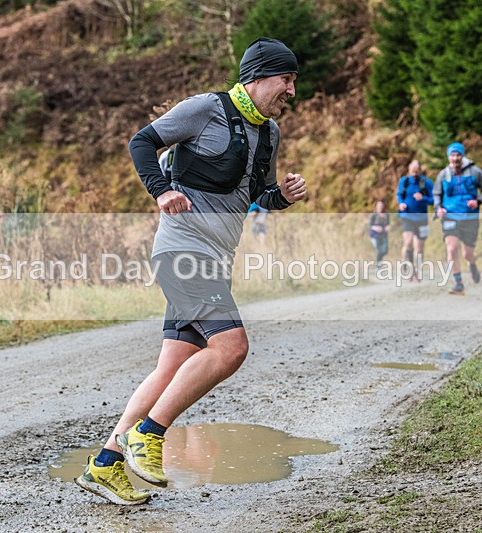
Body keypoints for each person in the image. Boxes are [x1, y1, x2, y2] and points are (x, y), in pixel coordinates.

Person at [75, 37, 307, 505]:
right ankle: (149, 433)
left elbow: (251, 194)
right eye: (286, 80)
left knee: (171, 369)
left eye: (293, 82)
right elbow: (141, 142)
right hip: (183, 252)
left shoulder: (269, 133)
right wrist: (161, 190)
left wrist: (280, 196)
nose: (292, 91)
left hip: (214, 262)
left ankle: (105, 464)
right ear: (258, 76)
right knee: (231, 347)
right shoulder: (206, 109)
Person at [433, 142, 482, 295]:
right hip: (450, 216)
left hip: (470, 217)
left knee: (467, 253)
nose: (455, 158)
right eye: (453, 155)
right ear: (449, 157)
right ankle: (459, 283)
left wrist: (478, 201)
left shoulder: (475, 171)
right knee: (451, 248)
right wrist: (438, 208)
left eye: (458, 155)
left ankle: (472, 265)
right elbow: (436, 193)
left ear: (462, 156)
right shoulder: (443, 174)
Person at [396, 160, 434, 281]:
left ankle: (417, 271)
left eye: (416, 171)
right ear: (409, 170)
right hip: (407, 216)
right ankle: (405, 265)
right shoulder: (404, 181)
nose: (414, 174)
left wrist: (423, 198)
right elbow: (399, 194)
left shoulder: (426, 183)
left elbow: (434, 200)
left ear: (420, 170)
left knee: (420, 247)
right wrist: (401, 203)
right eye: (412, 171)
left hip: (422, 218)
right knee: (408, 243)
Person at [369, 200, 390, 266]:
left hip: (384, 235)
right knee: (379, 250)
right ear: (376, 206)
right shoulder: (373, 215)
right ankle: (378, 266)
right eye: (379, 205)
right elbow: (369, 225)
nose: (380, 207)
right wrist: (376, 228)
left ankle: (378, 261)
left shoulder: (386, 214)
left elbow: (388, 224)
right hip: (375, 235)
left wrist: (388, 227)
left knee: (385, 251)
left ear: (383, 206)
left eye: (381, 205)